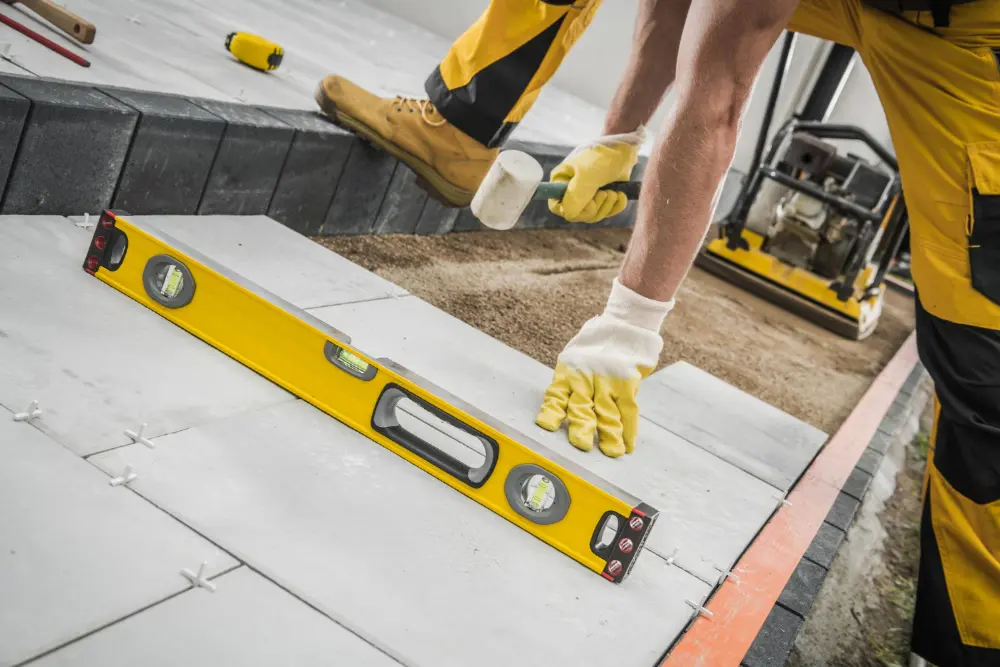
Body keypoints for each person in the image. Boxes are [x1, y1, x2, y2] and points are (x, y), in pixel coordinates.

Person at [318, 1, 1000, 664]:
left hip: (964, 34)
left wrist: (630, 324)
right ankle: (458, 126)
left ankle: (974, 647)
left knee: (985, 372)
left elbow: (716, 102)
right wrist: (619, 136)